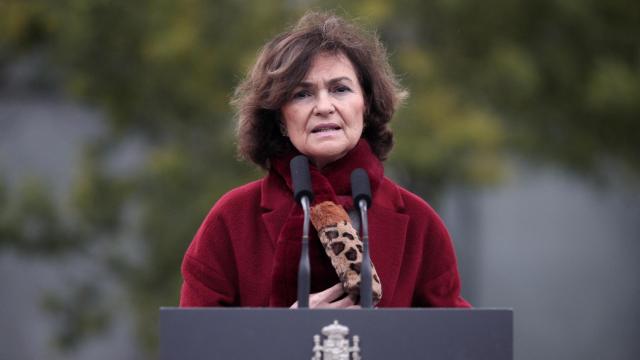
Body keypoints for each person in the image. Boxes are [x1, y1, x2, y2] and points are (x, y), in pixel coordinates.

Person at [179, 11, 470, 308]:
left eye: (340, 89)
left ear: (366, 105)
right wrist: (282, 335)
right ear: (280, 117)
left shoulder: (420, 223)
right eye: (302, 94)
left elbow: (457, 343)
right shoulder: (232, 219)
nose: (323, 106)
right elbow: (193, 345)